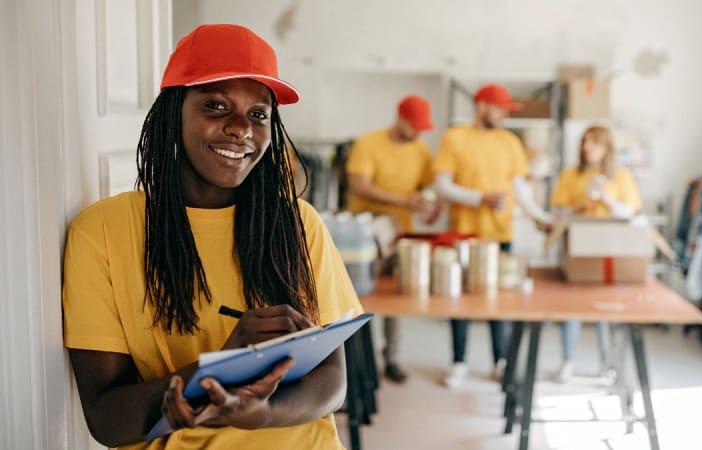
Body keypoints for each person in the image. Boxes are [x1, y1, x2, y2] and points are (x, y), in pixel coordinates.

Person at [62, 24, 362, 450]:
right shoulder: (101, 233)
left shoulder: (299, 225)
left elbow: (333, 379)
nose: (241, 128)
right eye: (216, 105)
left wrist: (263, 414)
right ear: (174, 112)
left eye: (258, 114)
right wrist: (216, 371)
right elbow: (107, 420)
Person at [432, 83, 552, 388]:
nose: (502, 116)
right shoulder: (454, 137)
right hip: (463, 234)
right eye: (499, 109)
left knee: (498, 298)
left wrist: (540, 218)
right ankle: (458, 362)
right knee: (459, 301)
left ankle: (500, 361)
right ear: (482, 106)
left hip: (500, 234)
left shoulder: (510, 142)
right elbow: (442, 186)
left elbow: (519, 189)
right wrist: (479, 199)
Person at [346, 95, 437, 383]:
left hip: (399, 233)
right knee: (360, 296)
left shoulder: (421, 150)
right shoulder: (368, 143)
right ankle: (358, 363)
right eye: (415, 126)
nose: (419, 133)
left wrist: (427, 203)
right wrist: (404, 201)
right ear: (400, 118)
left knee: (395, 297)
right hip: (364, 234)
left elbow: (426, 186)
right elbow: (360, 186)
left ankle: (392, 358)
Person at [550, 125, 642, 381]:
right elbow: (558, 211)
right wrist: (576, 208)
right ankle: (568, 362)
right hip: (576, 250)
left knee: (604, 309)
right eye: (584, 143)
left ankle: (606, 364)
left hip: (607, 252)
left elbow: (631, 212)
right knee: (572, 308)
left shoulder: (621, 177)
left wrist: (607, 200)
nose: (587, 148)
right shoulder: (570, 175)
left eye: (593, 143)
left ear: (606, 147)